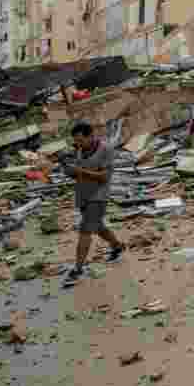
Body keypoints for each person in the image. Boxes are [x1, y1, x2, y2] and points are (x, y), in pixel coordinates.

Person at [63, 121, 123, 283]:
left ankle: (77, 270)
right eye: (76, 141)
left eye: (81, 140)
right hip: (83, 195)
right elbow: (78, 174)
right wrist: (70, 171)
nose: (78, 143)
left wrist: (79, 171)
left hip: (99, 195)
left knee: (85, 230)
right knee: (97, 227)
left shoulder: (106, 149)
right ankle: (117, 246)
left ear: (91, 136)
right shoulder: (79, 151)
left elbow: (104, 176)